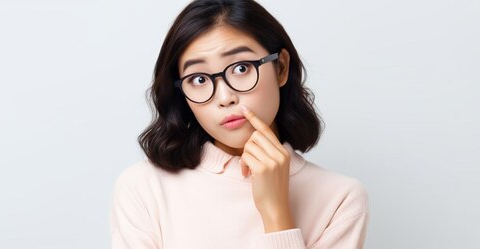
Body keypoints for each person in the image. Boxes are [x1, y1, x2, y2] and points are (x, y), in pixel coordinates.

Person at [109, 0, 369, 248]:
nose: (225, 98)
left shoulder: (340, 199)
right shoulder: (143, 187)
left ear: (280, 68)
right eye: (199, 79)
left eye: (241, 68)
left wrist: (276, 212)